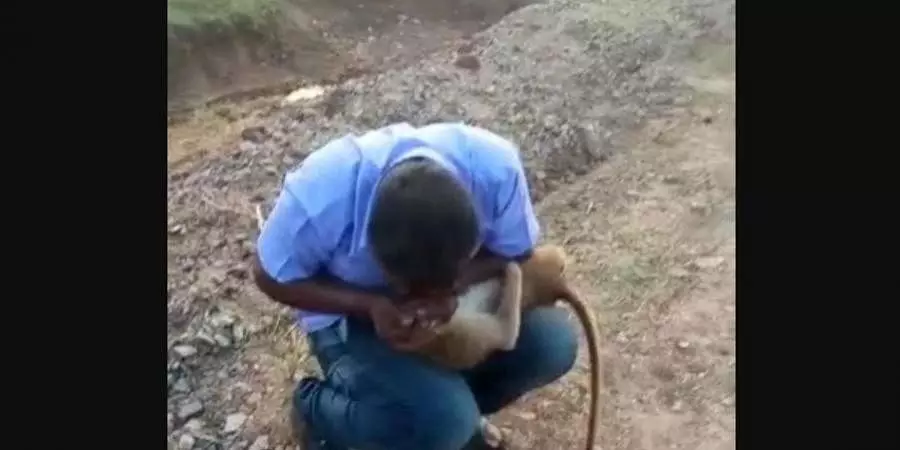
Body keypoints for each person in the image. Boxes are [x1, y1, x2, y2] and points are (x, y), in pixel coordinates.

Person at [253, 122, 577, 450]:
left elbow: (515, 251)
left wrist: (451, 292)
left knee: (552, 344)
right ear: (376, 258)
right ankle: (315, 411)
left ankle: (445, 416)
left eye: (444, 280)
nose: (422, 300)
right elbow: (267, 276)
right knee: (446, 420)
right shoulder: (320, 197)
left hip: (462, 294)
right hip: (349, 314)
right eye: (413, 289)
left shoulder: (494, 169)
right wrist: (369, 305)